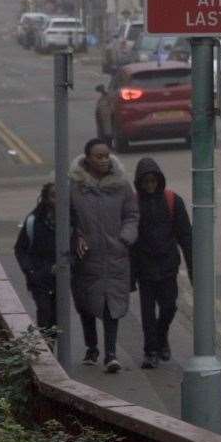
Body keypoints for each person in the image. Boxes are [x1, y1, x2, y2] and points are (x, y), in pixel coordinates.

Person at [69, 137, 138, 372]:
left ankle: (111, 355)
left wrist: (125, 238)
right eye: (99, 156)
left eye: (107, 155)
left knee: (112, 306)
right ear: (87, 158)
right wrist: (76, 237)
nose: (104, 159)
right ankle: (92, 348)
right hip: (86, 257)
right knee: (86, 304)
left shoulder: (121, 184)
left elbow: (131, 214)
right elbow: (66, 217)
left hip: (115, 255)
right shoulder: (74, 186)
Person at [130, 157, 193, 369]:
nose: (150, 186)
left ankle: (161, 334)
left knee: (169, 307)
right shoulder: (132, 204)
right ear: (139, 182)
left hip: (167, 265)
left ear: (159, 180)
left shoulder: (173, 200)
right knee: (147, 313)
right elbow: (127, 242)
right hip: (144, 266)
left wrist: (194, 270)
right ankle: (150, 351)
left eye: (153, 181)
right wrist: (129, 277)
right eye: (145, 182)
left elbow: (186, 237)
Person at [14, 182, 58, 336]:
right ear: (45, 199)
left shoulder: (70, 221)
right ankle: (47, 348)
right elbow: (20, 248)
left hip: (61, 277)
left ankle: (52, 345)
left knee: (57, 317)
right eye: (54, 196)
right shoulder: (34, 221)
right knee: (44, 311)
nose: (57, 201)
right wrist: (31, 271)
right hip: (39, 278)